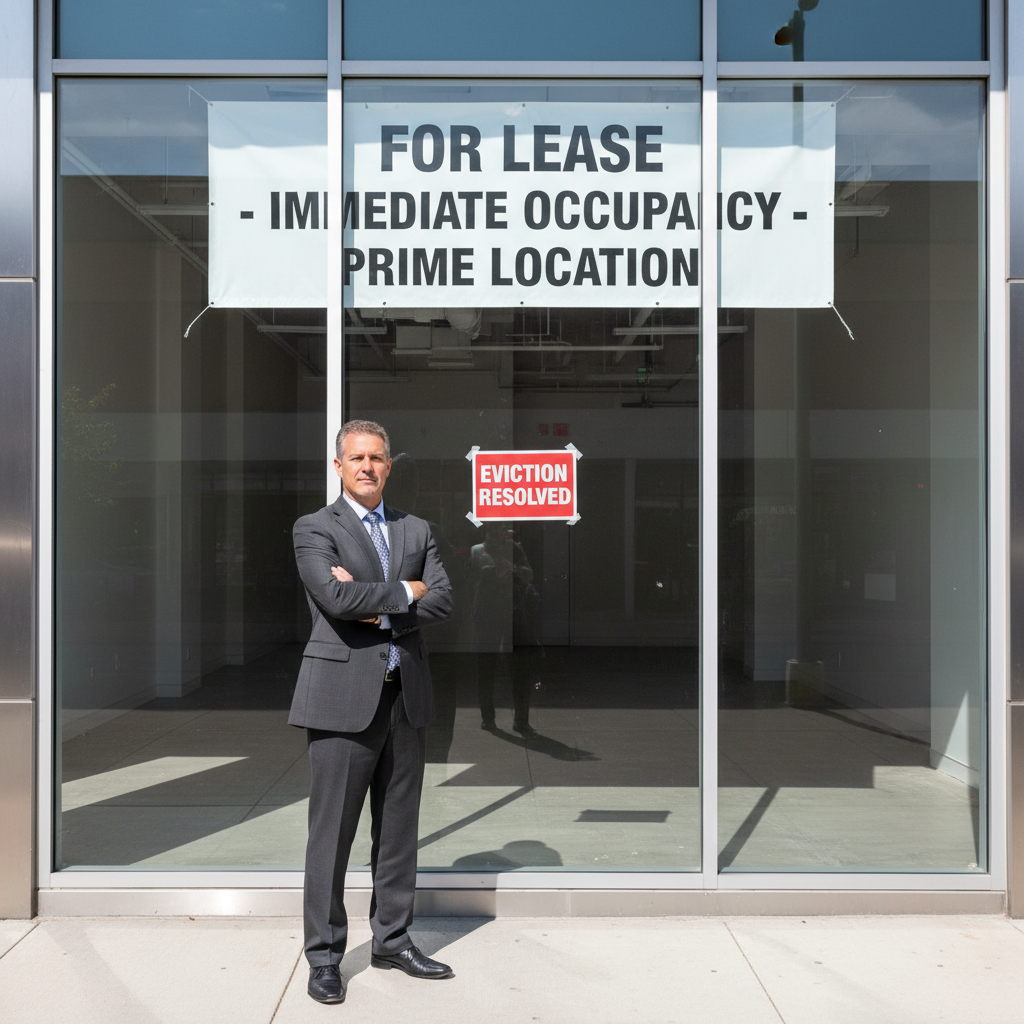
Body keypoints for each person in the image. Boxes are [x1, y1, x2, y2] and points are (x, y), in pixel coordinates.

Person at [289, 419, 454, 1004]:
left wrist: (375, 598)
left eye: (377, 457)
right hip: (340, 700)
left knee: (398, 830)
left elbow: (444, 600)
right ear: (339, 466)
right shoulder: (315, 528)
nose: (367, 466)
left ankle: (393, 939)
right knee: (331, 833)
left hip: (404, 697)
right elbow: (332, 598)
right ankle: (325, 956)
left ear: (389, 465)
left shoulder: (416, 527)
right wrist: (407, 591)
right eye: (356, 457)